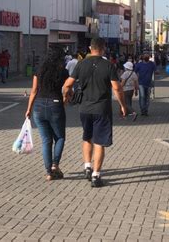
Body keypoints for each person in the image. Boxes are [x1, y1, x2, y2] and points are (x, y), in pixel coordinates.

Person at [63, 38, 127, 188]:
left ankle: (87, 166)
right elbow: (117, 88)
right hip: (102, 109)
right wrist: (123, 105)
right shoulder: (108, 65)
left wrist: (67, 96)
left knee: (87, 137)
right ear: (103, 48)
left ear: (90, 48)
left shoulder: (81, 64)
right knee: (99, 142)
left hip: (84, 108)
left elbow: (67, 84)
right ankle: (96, 176)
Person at [25, 50, 69, 181]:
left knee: (46, 140)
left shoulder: (39, 71)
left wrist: (28, 109)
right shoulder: (63, 72)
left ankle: (49, 172)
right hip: (56, 104)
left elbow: (34, 91)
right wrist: (65, 99)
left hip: (38, 106)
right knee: (60, 137)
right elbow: (67, 88)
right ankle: (55, 165)